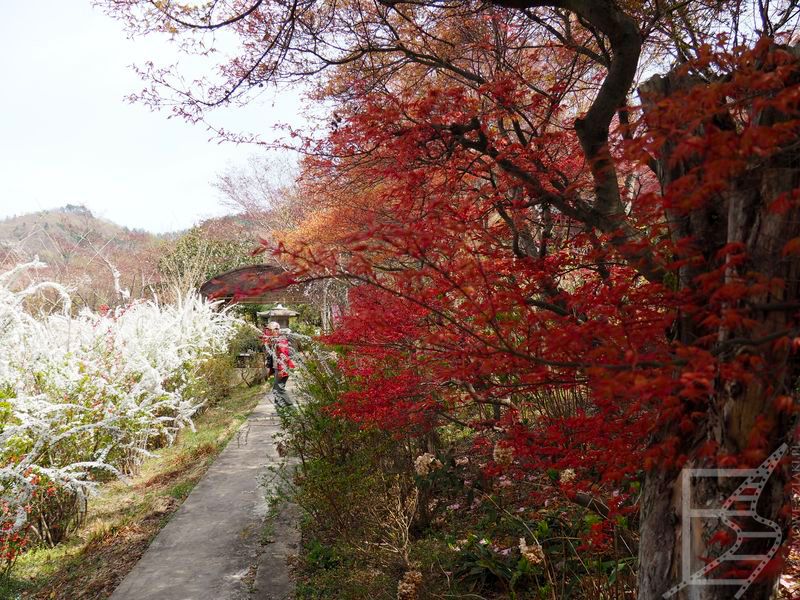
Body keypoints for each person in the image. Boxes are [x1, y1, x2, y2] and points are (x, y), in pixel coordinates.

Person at [263, 321, 295, 409]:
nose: (267, 332)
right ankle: (280, 408)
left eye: (269, 330)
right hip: (277, 368)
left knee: (279, 389)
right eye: (267, 330)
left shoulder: (281, 341)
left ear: (276, 331)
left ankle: (291, 407)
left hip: (283, 368)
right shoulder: (273, 341)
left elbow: (284, 357)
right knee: (276, 389)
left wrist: (282, 370)